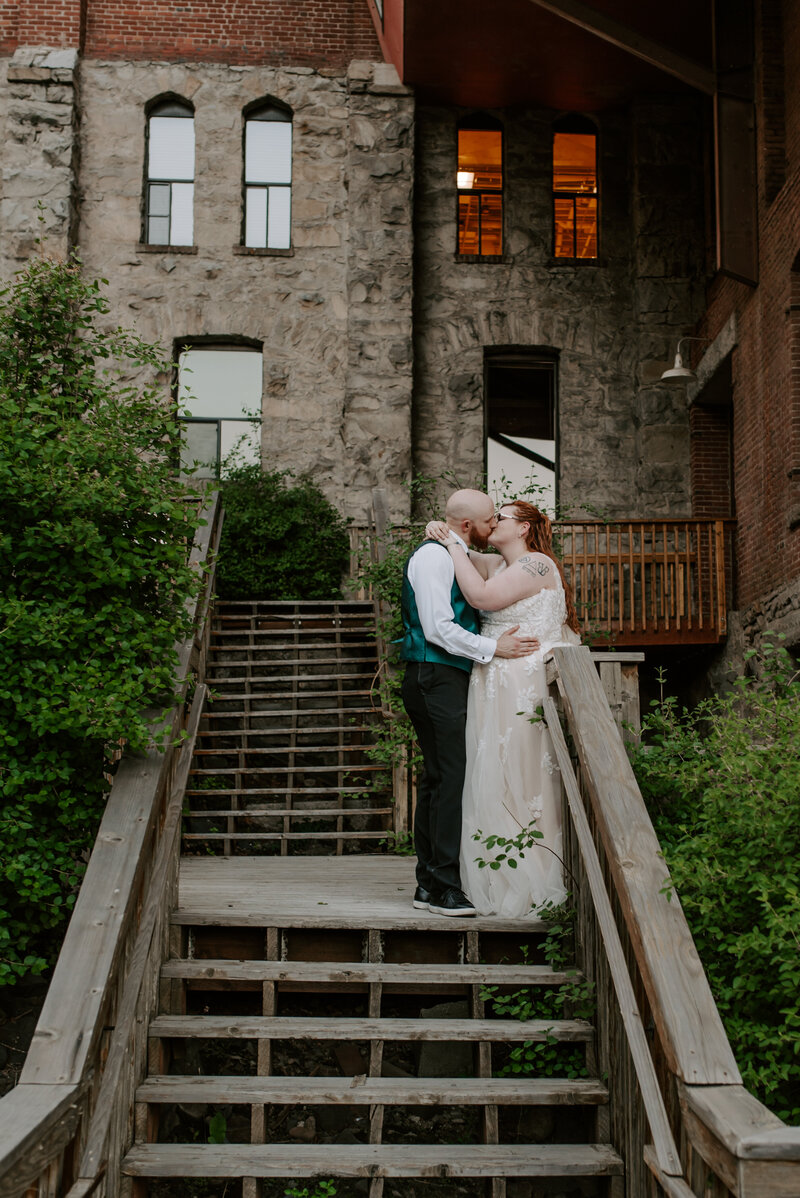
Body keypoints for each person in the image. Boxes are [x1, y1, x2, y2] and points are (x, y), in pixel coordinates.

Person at [425, 500, 581, 918]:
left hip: (523, 681)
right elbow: (461, 540)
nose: (495, 523)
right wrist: (443, 530)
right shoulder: (497, 561)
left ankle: (536, 873)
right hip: (493, 680)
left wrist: (452, 545)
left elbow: (481, 597)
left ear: (525, 528)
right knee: (490, 774)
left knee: (524, 772)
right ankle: (494, 873)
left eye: (504, 518)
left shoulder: (537, 566)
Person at [400, 489, 540, 917]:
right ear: (467, 526)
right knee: (449, 777)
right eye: (487, 521)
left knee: (439, 777)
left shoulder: (454, 551)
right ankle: (443, 888)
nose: (491, 526)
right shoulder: (432, 558)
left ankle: (429, 883)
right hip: (432, 675)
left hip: (445, 676)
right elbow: (438, 628)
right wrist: (492, 647)